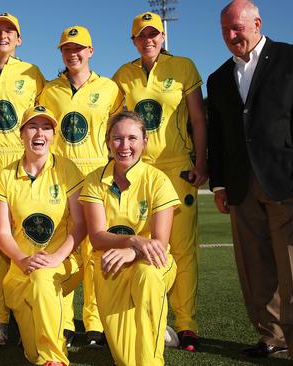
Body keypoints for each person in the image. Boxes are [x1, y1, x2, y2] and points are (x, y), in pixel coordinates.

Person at [207, 1, 293, 364]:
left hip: (287, 182)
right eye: (225, 29)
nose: (231, 35)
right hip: (241, 187)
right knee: (254, 270)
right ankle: (271, 337)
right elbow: (219, 135)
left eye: (237, 27)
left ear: (257, 23)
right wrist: (220, 184)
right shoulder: (219, 77)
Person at [112, 11, 207, 350]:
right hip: (140, 172)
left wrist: (201, 161)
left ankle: (187, 324)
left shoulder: (183, 66)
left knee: (180, 249)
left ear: (162, 38)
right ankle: (155, 317)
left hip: (178, 168)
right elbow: (117, 124)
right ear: (133, 40)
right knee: (147, 247)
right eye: (141, 35)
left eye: (153, 34)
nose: (148, 40)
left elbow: (198, 118)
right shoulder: (124, 74)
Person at [38, 25, 123, 347]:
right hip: (61, 176)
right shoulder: (49, 89)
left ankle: (95, 323)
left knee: (95, 251)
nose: (72, 54)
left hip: (97, 174)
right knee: (64, 246)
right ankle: (62, 321)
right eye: (66, 49)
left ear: (90, 51)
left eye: (78, 48)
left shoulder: (110, 88)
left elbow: (116, 132)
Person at [79, 111, 179, 366]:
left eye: (132, 138)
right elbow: (98, 237)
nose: (125, 146)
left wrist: (134, 252)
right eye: (117, 138)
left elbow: (158, 242)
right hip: (111, 266)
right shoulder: (94, 180)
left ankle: (152, 357)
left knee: (146, 276)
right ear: (108, 142)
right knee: (125, 359)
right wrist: (133, 242)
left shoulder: (158, 181)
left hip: (152, 263)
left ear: (145, 141)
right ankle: (154, 322)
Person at [0, 105, 86, 366]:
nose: (40, 133)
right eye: (33, 126)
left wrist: (56, 257)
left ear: (54, 136)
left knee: (43, 278)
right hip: (20, 269)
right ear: (21, 134)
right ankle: (45, 352)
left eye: (46, 127)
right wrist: (22, 260)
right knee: (32, 355)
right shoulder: (5, 176)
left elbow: (80, 224)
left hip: (62, 263)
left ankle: (55, 359)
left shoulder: (67, 170)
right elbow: (1, 232)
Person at [0, 12, 45, 346]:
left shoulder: (33, 74)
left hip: (21, 159)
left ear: (19, 39)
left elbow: (39, 123)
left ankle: (27, 311)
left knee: (23, 236)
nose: (2, 36)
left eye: (9, 32)